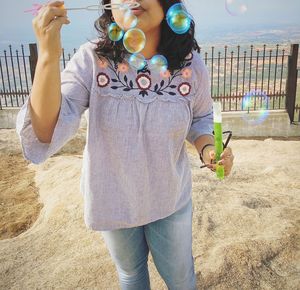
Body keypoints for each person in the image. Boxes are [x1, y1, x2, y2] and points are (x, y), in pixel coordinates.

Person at [16, 0, 234, 289]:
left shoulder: (190, 65)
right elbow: (45, 131)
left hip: (169, 198)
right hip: (114, 198)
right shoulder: (93, 60)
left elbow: (201, 118)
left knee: (181, 279)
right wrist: (47, 56)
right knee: (131, 275)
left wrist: (209, 149)